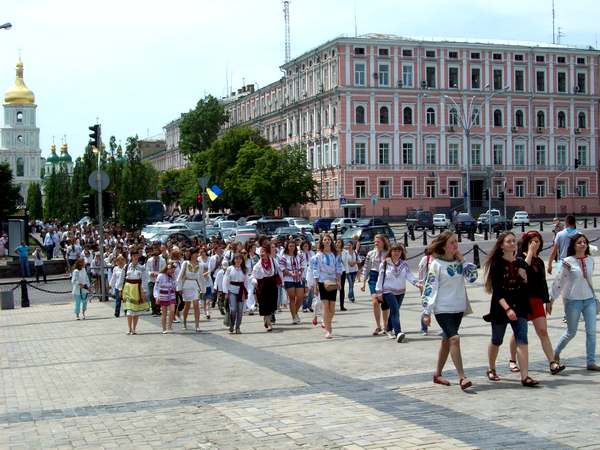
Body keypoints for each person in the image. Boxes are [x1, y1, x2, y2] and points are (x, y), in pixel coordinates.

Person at [422, 231, 477, 390]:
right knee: (455, 339)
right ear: (444, 246)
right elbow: (430, 287)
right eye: (452, 242)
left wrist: (463, 259)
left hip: (457, 308)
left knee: (447, 340)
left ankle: (437, 374)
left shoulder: (460, 263)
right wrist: (426, 311)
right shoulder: (436, 264)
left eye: (456, 242)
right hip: (442, 309)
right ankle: (462, 377)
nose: (455, 245)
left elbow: (472, 277)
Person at [483, 232, 538, 387]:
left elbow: (527, 269)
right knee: (497, 340)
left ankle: (525, 376)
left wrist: (531, 251)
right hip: (501, 308)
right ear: (501, 245)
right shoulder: (497, 265)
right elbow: (498, 292)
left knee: (522, 339)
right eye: (509, 241)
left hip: (520, 306)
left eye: (514, 241)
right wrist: (507, 309)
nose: (512, 243)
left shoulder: (519, 262)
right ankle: (491, 368)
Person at [508, 231, 565, 375]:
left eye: (538, 241)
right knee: (518, 333)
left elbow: (542, 283)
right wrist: (530, 253)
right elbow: (522, 272)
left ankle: (553, 363)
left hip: (536, 300)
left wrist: (547, 301)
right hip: (522, 301)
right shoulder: (519, 258)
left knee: (543, 331)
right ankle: (512, 360)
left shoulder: (539, 261)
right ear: (526, 242)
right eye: (532, 241)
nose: (536, 244)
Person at [552, 233, 600, 371]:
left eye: (584, 242)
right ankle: (556, 353)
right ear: (574, 245)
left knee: (591, 332)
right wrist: (551, 299)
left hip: (589, 299)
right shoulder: (567, 261)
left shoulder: (590, 260)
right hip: (573, 301)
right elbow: (559, 282)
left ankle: (590, 362)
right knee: (571, 332)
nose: (583, 244)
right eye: (579, 242)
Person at [376, 243, 420, 343]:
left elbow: (409, 275)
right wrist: (378, 291)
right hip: (388, 291)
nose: (396, 253)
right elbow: (380, 278)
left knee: (394, 311)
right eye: (394, 251)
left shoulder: (403, 264)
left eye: (399, 251)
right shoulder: (385, 263)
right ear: (390, 252)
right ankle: (398, 332)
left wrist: (416, 283)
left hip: (400, 291)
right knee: (395, 310)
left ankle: (388, 329)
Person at [311, 234, 343, 339]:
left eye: (329, 239)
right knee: (326, 306)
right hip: (322, 281)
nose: (327, 241)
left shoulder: (336, 254)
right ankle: (328, 330)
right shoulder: (317, 256)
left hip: (333, 281)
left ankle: (326, 321)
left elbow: (338, 268)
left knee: (332, 308)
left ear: (331, 241)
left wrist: (339, 281)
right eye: (325, 239)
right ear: (322, 242)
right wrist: (315, 285)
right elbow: (315, 271)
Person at [361, 234, 390, 335]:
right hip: (373, 277)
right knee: (375, 302)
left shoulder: (388, 253)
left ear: (383, 242)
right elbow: (366, 267)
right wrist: (363, 282)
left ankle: (386, 326)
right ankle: (378, 326)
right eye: (375, 241)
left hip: (385, 278)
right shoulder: (370, 253)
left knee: (385, 304)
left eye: (378, 241)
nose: (376, 243)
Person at [253, 245, 283, 332]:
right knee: (264, 304)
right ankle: (269, 323)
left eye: (264, 252)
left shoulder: (273, 261)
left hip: (272, 284)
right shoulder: (258, 265)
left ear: (268, 253)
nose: (262, 254)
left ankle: (267, 319)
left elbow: (279, 271)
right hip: (262, 285)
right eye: (261, 252)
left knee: (272, 304)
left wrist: (282, 282)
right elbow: (253, 275)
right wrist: (255, 281)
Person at [122, 248, 149, 335]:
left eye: (137, 255)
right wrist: (119, 288)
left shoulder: (141, 267)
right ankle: (129, 328)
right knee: (129, 310)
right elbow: (122, 278)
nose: (135, 257)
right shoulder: (126, 267)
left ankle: (134, 328)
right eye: (134, 256)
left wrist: (144, 290)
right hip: (128, 289)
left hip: (137, 289)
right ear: (131, 257)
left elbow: (145, 279)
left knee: (136, 310)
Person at [279, 239, 305, 324]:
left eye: (293, 246)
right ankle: (294, 317)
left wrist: (300, 272)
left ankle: (295, 312)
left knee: (300, 297)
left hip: (298, 278)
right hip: (288, 279)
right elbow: (282, 268)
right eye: (290, 246)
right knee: (292, 298)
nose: (291, 248)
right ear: (287, 247)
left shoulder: (299, 256)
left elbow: (302, 265)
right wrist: (290, 274)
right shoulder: (284, 257)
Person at [178, 247, 202, 332]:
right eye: (195, 253)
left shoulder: (200, 264)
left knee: (196, 304)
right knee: (187, 305)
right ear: (191, 254)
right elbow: (180, 276)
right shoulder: (185, 263)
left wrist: (202, 289)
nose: (197, 255)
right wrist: (179, 288)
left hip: (195, 285)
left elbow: (200, 278)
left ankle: (197, 325)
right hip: (186, 285)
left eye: (197, 253)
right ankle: (184, 322)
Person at [223, 253, 248, 334]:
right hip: (232, 291)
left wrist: (245, 292)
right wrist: (226, 292)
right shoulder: (230, 269)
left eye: (240, 259)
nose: (238, 260)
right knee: (233, 309)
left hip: (241, 291)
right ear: (233, 260)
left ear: (242, 260)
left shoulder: (244, 269)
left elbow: (246, 282)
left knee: (240, 310)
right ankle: (232, 325)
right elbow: (225, 280)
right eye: (236, 259)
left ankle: (238, 327)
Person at [154, 262, 178, 334]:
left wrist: (175, 284)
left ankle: (169, 326)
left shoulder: (173, 276)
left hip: (171, 294)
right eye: (171, 270)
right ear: (167, 269)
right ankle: (164, 328)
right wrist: (157, 296)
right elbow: (156, 287)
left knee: (172, 310)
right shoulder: (160, 276)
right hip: (163, 295)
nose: (172, 272)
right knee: (164, 312)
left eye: (173, 271)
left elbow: (175, 284)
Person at [417, 248, 434, 335]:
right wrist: (421, 287)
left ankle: (445, 328)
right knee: (426, 308)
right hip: (428, 287)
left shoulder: (442, 258)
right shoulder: (426, 259)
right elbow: (421, 273)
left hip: (439, 288)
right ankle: (424, 328)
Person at [145, 246, 165, 316]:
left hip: (159, 280)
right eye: (154, 256)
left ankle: (158, 309)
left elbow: (164, 270)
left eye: (157, 256)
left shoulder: (162, 260)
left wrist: (158, 273)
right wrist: (151, 273)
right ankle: (153, 309)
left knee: (158, 295)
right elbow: (147, 269)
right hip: (151, 280)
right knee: (151, 295)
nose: (155, 257)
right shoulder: (149, 260)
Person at [335, 239, 347, 311]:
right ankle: (332, 305)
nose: (337, 244)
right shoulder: (333, 252)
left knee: (341, 289)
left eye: (339, 242)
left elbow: (345, 262)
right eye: (336, 242)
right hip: (335, 272)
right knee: (334, 289)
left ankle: (342, 306)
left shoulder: (345, 252)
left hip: (342, 271)